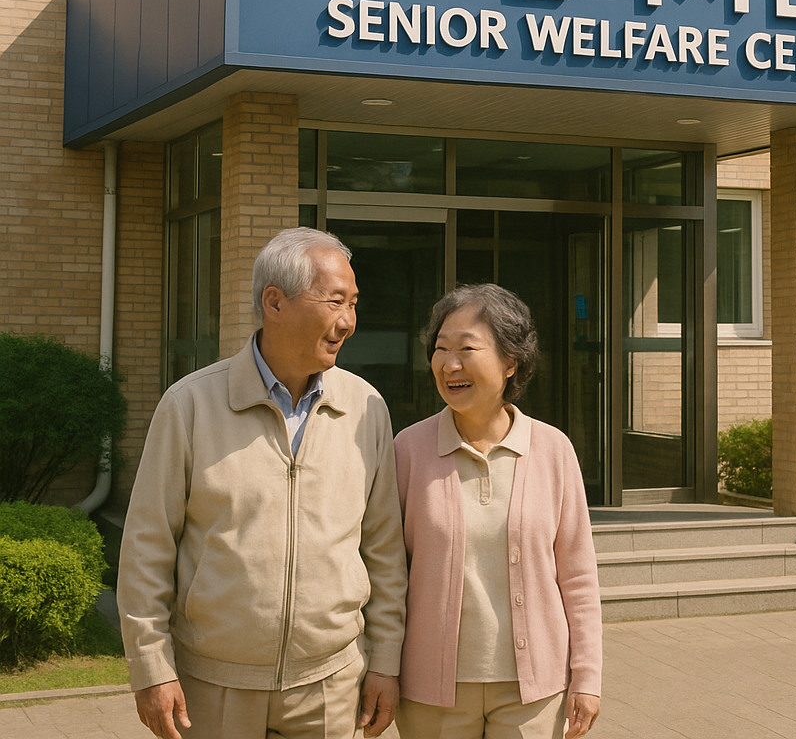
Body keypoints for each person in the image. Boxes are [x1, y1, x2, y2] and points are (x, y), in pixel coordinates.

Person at [119, 228, 408, 739]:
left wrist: (384, 660)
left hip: (331, 686)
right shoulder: (189, 405)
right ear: (274, 302)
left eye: (353, 303)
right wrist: (151, 668)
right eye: (335, 301)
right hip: (213, 687)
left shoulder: (367, 407)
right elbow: (148, 546)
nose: (348, 321)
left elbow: (383, 548)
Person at [393, 283, 602, 739]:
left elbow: (578, 576)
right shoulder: (408, 450)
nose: (450, 364)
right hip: (430, 692)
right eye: (440, 349)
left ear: (511, 362)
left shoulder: (553, 450)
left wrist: (587, 676)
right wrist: (382, 667)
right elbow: (388, 574)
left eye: (467, 349)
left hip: (533, 693)